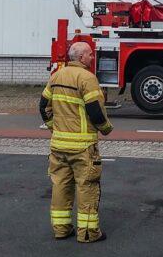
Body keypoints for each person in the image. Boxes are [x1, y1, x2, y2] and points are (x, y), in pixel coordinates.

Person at [40, 41, 113, 243]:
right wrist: (106, 129)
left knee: (60, 186)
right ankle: (88, 233)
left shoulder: (56, 76)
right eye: (90, 54)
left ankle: (61, 229)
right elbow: (95, 112)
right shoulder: (87, 78)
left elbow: (43, 106)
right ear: (81, 57)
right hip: (82, 148)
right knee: (87, 186)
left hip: (58, 145)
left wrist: (54, 127)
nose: (92, 57)